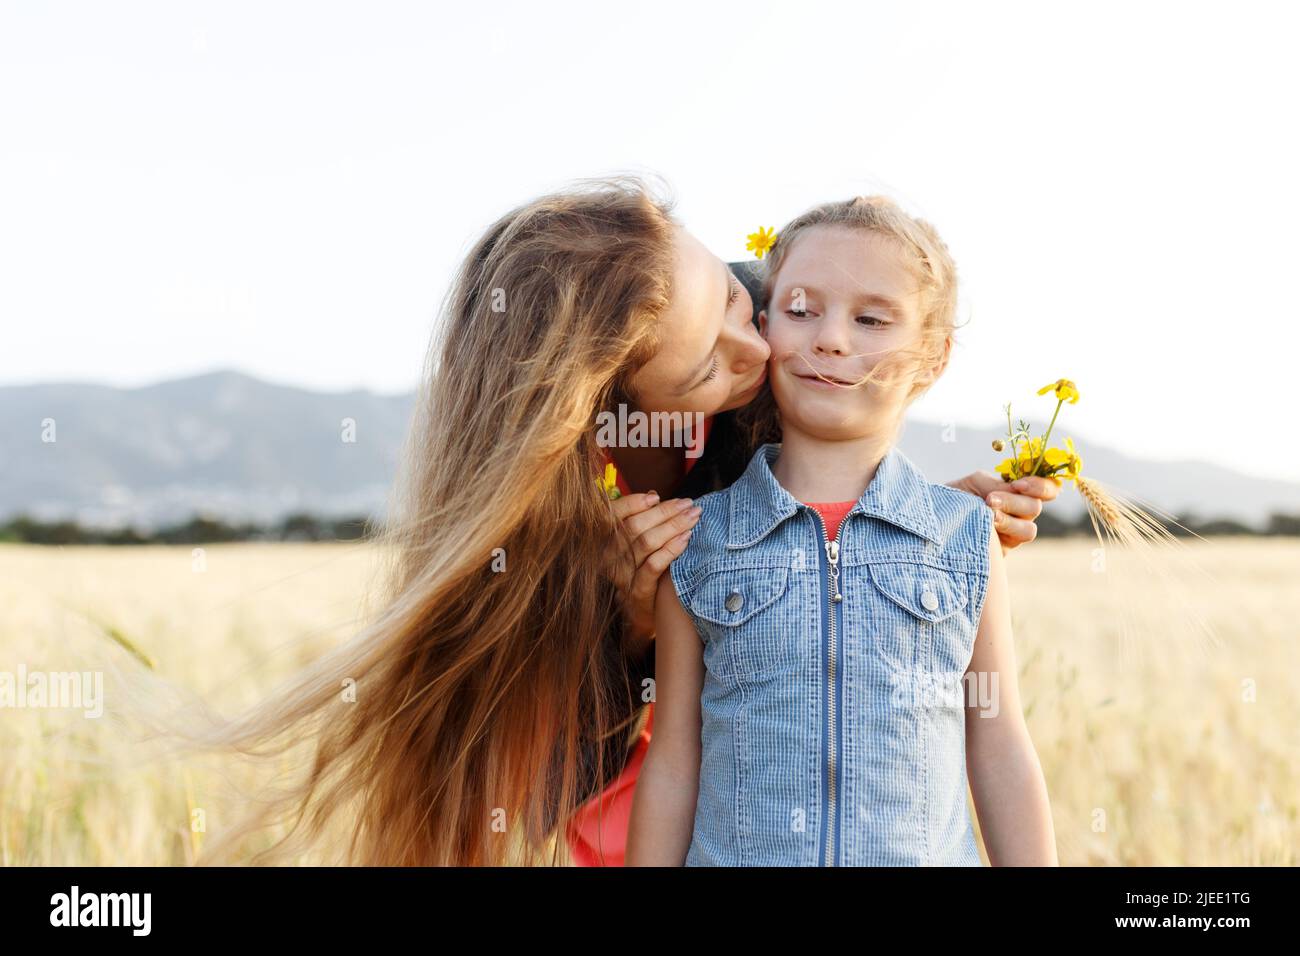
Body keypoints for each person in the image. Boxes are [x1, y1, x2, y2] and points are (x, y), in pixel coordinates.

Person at [176, 176, 1058, 866]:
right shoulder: (588, 522)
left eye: (732, 301)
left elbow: (854, 403)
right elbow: (638, 758)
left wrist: (930, 523)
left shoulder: (782, 309)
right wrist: (634, 624)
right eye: (707, 367)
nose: (768, 348)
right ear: (616, 406)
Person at [626, 195, 1058, 865]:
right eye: (802, 310)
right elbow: (675, 760)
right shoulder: (699, 540)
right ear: (765, 324)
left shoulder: (965, 537)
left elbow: (999, 747)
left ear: (933, 359)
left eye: (871, 318)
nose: (830, 337)